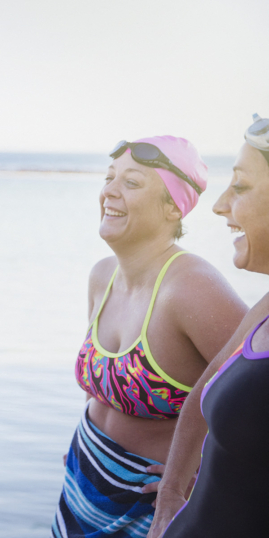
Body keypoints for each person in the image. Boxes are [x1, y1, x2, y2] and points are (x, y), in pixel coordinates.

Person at [51, 136, 247, 538]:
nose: (109, 191)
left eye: (132, 182)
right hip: (82, 488)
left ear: (173, 205)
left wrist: (204, 477)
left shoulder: (192, 288)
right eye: (109, 178)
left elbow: (257, 403)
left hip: (149, 511)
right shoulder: (102, 276)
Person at [148, 115, 269, 537]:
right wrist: (169, 496)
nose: (218, 205)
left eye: (240, 186)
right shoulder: (265, 308)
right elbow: (204, 388)